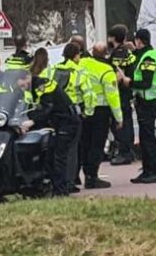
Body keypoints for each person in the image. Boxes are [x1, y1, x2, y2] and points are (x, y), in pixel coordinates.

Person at [18, 70, 80, 197]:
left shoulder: (43, 85)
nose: (22, 88)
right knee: (49, 157)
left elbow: (47, 107)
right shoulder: (32, 88)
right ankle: (49, 188)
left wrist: (32, 121)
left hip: (66, 121)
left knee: (59, 157)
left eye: (22, 84)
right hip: (56, 122)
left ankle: (62, 191)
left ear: (28, 78)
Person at [120, 28, 156, 184]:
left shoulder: (149, 58)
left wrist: (129, 82)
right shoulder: (145, 55)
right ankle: (147, 171)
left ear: (139, 41)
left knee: (149, 138)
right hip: (143, 102)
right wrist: (133, 51)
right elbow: (137, 62)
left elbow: (146, 83)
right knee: (145, 139)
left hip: (148, 102)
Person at [49, 42, 92, 192]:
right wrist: (88, 112)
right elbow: (89, 94)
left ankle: (56, 181)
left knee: (57, 149)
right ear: (75, 56)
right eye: (79, 54)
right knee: (72, 150)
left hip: (54, 113)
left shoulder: (53, 70)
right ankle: (69, 182)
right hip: (72, 112)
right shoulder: (79, 71)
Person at [79, 42, 123, 189]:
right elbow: (113, 96)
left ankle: (83, 174)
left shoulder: (82, 63)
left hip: (85, 109)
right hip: (101, 112)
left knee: (85, 143)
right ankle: (92, 176)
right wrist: (119, 118)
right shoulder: (106, 70)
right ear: (106, 54)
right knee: (97, 144)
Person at [108, 24, 137, 165]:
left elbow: (118, 74)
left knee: (120, 124)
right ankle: (128, 151)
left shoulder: (118, 54)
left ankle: (124, 152)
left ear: (113, 38)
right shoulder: (129, 54)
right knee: (128, 122)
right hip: (128, 92)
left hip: (119, 93)